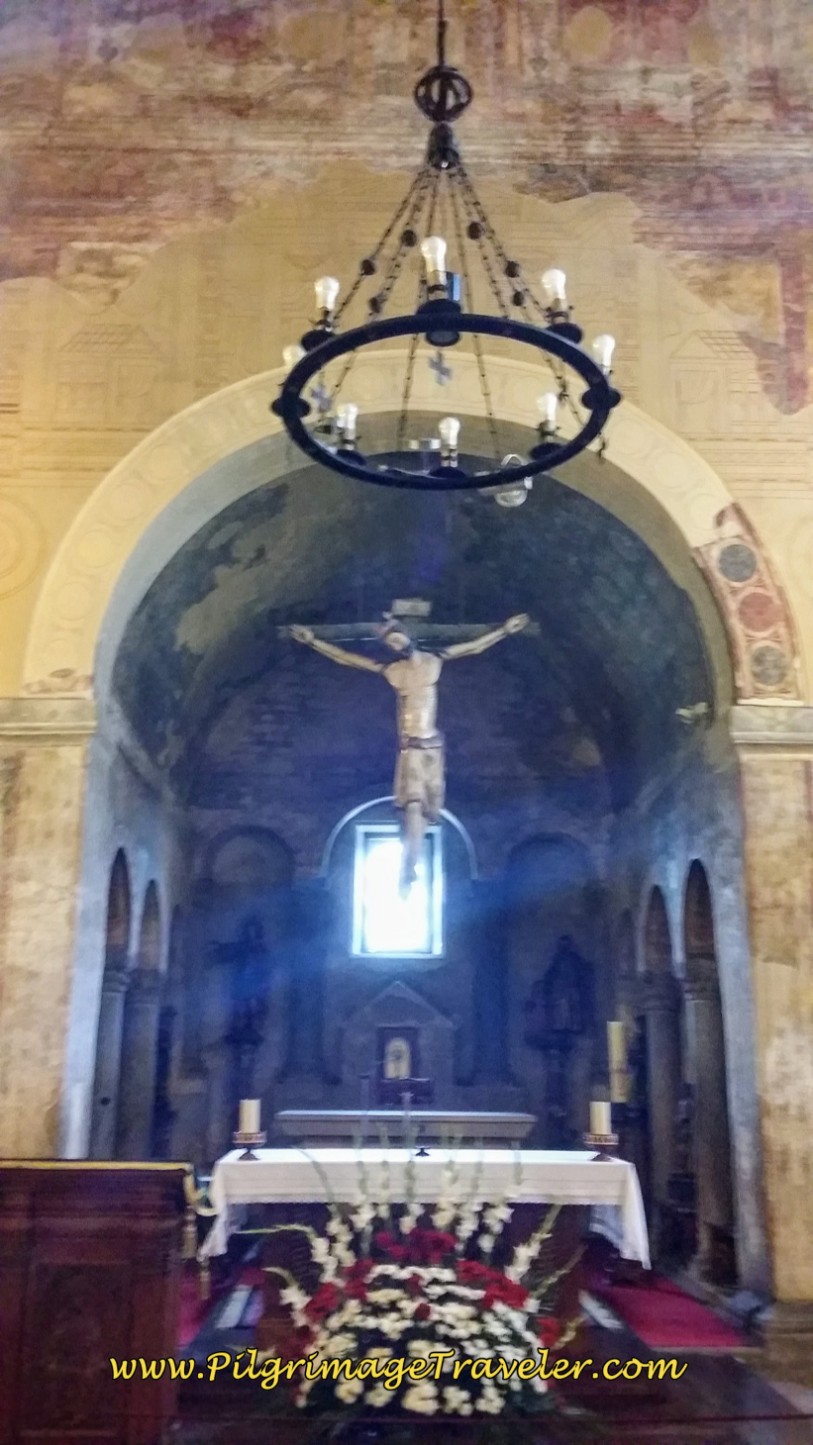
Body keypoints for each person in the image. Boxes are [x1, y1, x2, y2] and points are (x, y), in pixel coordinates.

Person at [289, 612, 530, 889]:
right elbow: (346, 658)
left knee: (426, 810)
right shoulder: (394, 671)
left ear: (408, 635)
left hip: (432, 746)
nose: (396, 645)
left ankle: (411, 860)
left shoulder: (434, 661)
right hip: (411, 747)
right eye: (390, 643)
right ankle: (410, 864)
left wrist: (504, 630)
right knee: (413, 806)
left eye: (397, 638)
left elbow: (474, 646)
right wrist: (313, 641)